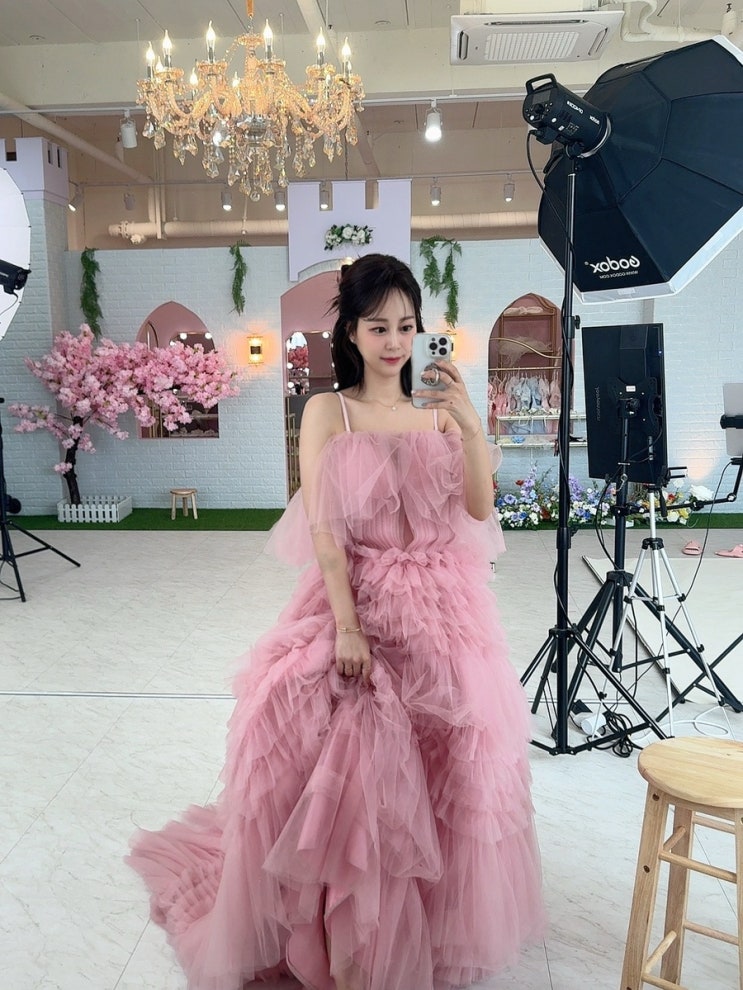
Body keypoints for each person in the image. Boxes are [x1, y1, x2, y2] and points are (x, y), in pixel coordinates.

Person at [127, 253, 545, 990]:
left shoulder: (439, 409)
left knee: (456, 758)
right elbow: (325, 529)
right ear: (350, 331)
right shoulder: (329, 410)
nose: (395, 342)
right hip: (360, 600)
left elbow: (479, 509)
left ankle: (432, 922)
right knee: (344, 751)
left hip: (446, 611)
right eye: (378, 326)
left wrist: (470, 424)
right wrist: (348, 626)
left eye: (407, 326)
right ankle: (347, 926)